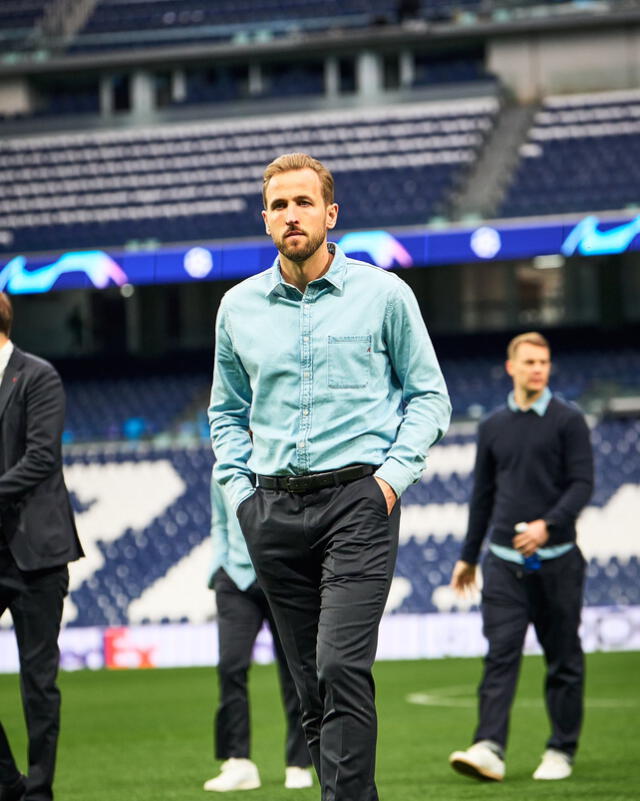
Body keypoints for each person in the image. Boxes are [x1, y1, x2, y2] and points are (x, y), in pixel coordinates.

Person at [209, 152, 451, 801]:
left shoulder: (385, 295)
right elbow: (225, 415)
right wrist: (241, 497)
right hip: (272, 512)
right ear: (265, 219)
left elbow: (430, 396)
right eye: (280, 205)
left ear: (330, 213)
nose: (293, 215)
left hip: (358, 500)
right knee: (310, 687)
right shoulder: (236, 309)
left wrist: (389, 483)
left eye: (304, 202)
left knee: (341, 665)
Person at [449, 331, 594, 783]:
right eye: (529, 361)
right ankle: (489, 746)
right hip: (503, 564)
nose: (538, 368)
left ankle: (560, 750)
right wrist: (468, 556)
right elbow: (482, 496)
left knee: (563, 658)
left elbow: (582, 484)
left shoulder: (569, 421)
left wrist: (546, 525)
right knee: (500, 654)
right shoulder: (492, 427)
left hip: (559, 561)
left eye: (544, 362)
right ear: (511, 367)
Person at [0, 292, 83, 801]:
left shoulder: (37, 376)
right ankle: (9, 782)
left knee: (38, 683)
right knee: (36, 681)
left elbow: (40, 460)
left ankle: (39, 792)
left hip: (37, 552)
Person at [204, 473, 313, 792]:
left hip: (282, 577)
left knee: (295, 672)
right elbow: (219, 522)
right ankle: (238, 763)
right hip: (235, 580)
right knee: (230, 667)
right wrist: (219, 567)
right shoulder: (222, 469)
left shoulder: (281, 459)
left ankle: (299, 762)